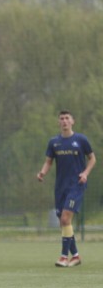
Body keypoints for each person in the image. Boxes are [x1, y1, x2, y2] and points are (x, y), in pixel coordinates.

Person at [37, 110, 95, 268]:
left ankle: (63, 257)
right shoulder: (54, 142)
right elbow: (48, 161)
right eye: (61, 118)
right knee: (65, 223)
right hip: (60, 187)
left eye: (67, 118)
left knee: (64, 219)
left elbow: (92, 158)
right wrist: (42, 172)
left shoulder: (81, 140)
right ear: (59, 122)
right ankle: (75, 256)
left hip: (76, 185)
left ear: (72, 121)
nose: (64, 121)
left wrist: (85, 173)